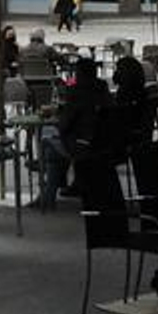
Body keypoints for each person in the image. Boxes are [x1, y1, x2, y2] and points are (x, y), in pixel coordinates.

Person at [41, 55, 109, 209]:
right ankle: (74, 182)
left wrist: (58, 118)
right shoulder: (102, 89)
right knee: (59, 140)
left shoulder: (77, 92)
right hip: (104, 142)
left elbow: (65, 124)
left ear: (80, 74)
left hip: (82, 145)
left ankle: (48, 195)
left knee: (48, 141)